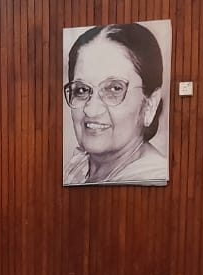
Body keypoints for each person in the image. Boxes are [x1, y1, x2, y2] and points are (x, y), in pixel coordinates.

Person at [63, 23, 167, 186]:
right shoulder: (79, 166)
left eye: (114, 88)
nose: (91, 110)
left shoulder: (151, 174)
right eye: (82, 90)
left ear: (150, 104)